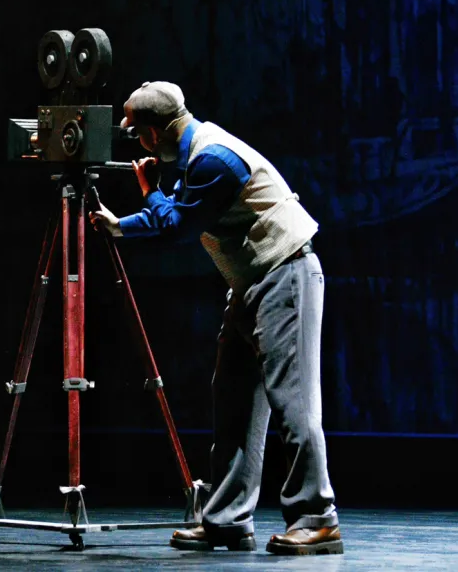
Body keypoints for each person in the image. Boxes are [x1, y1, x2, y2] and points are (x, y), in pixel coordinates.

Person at [91, 81, 343, 556]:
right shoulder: (194, 156)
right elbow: (176, 213)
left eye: (139, 133)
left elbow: (176, 226)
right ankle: (227, 520)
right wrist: (121, 226)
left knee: (293, 403)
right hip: (252, 282)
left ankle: (317, 518)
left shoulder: (212, 160)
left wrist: (148, 191)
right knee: (233, 402)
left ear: (154, 133)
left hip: (284, 274)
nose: (139, 143)